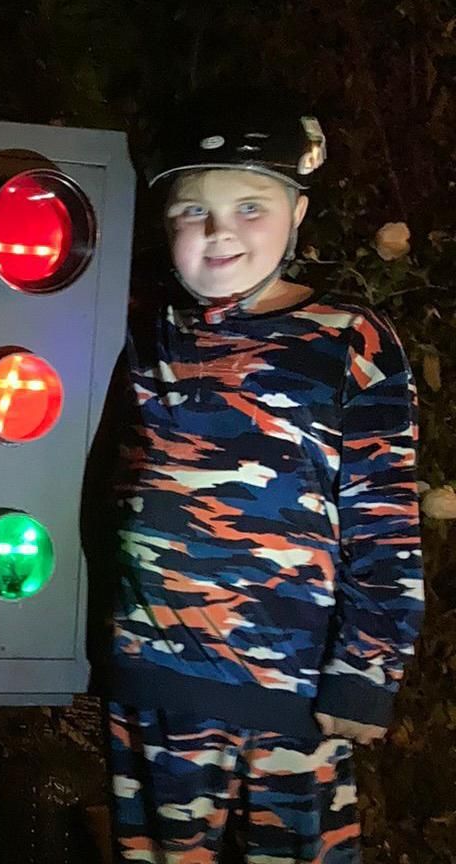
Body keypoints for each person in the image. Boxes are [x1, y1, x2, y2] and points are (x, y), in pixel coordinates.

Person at [94, 91, 425, 862]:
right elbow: (109, 490)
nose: (219, 233)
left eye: (250, 207)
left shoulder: (350, 343)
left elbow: (384, 518)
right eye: (191, 212)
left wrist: (366, 669)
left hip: (295, 694)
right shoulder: (147, 336)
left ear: (298, 212)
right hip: (154, 684)